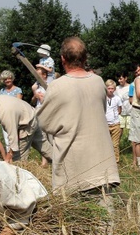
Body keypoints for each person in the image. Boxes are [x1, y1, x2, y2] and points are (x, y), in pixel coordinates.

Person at [37, 36, 120, 214]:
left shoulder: (57, 86)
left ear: (62, 59)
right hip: (101, 166)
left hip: (73, 167)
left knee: (75, 227)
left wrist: (48, 103)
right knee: (105, 227)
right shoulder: (98, 82)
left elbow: (44, 122)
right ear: (84, 58)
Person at [0, 95, 52, 164]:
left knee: (18, 160)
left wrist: (7, 160)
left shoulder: (5, 114)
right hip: (31, 115)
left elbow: (13, 140)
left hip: (26, 125)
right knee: (44, 146)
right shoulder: (0, 99)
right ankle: (61, 163)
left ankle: (20, 178)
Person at [104, 79, 123, 163]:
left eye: (112, 88)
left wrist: (115, 116)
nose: (111, 90)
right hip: (105, 124)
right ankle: (105, 160)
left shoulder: (117, 98)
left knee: (115, 144)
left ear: (114, 89)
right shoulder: (103, 98)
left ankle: (116, 161)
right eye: (109, 88)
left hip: (115, 124)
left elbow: (119, 109)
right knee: (105, 144)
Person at [115, 73, 132, 137]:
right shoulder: (116, 88)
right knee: (119, 130)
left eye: (121, 79)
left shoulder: (131, 87)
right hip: (120, 113)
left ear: (126, 78)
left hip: (130, 112)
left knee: (131, 131)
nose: (119, 81)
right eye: (118, 79)